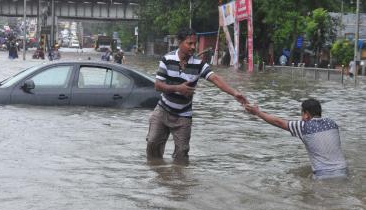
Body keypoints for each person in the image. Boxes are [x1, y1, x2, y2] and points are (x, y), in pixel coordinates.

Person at [146, 28, 248, 163]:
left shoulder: (199, 64)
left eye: (195, 44)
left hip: (183, 115)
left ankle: (178, 181)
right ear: (180, 42)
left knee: (182, 153)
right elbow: (158, 85)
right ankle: (157, 175)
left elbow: (215, 79)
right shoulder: (167, 59)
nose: (193, 47)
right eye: (190, 43)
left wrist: (235, 93)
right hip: (163, 110)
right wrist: (178, 88)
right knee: (152, 145)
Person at [244, 99, 348, 180]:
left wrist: (257, 112)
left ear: (306, 114)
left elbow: (278, 122)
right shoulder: (332, 124)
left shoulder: (303, 126)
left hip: (323, 175)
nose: (301, 117)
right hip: (344, 171)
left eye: (302, 114)